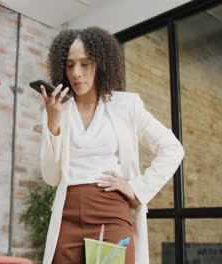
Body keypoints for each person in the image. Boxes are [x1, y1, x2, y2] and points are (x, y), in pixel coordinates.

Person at [39, 27, 184, 264]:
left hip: (110, 209)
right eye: (70, 65)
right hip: (66, 213)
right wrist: (52, 123)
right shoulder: (56, 110)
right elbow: (51, 176)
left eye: (85, 64)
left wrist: (137, 188)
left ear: (101, 63)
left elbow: (173, 148)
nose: (76, 73)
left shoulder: (126, 105)